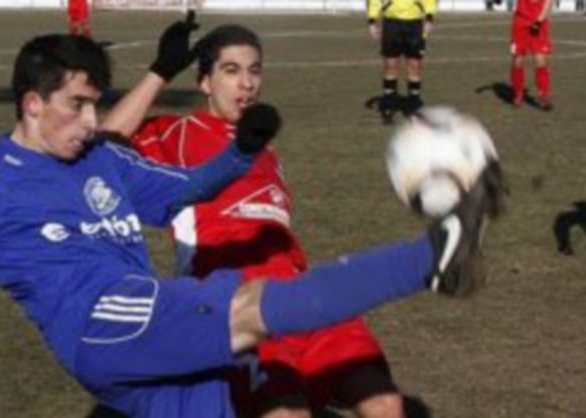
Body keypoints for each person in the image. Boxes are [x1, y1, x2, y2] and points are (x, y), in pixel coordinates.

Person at [0, 20, 503, 418]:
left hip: (146, 318)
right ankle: (434, 254)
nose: (91, 119)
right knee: (249, 311)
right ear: (32, 103)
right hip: (97, 316)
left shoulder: (100, 157)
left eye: (95, 102)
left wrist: (241, 151)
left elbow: (183, 191)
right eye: (78, 105)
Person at [102, 23, 403, 418]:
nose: (246, 83)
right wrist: (160, 70)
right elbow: (104, 143)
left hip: (301, 290)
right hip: (233, 300)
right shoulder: (177, 133)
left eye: (254, 70)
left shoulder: (264, 143)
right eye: (231, 71)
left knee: (385, 403)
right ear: (205, 82)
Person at [366, 0, 436, 123]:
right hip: (392, 23)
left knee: (415, 65)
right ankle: (389, 103)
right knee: (391, 65)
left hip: (415, 24)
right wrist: (372, 20)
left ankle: (414, 106)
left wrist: (429, 17)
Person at [509, 0, 553, 111]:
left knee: (540, 60)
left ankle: (543, 96)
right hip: (520, 22)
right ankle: (518, 94)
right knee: (517, 60)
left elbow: (548, 2)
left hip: (538, 22)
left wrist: (539, 21)